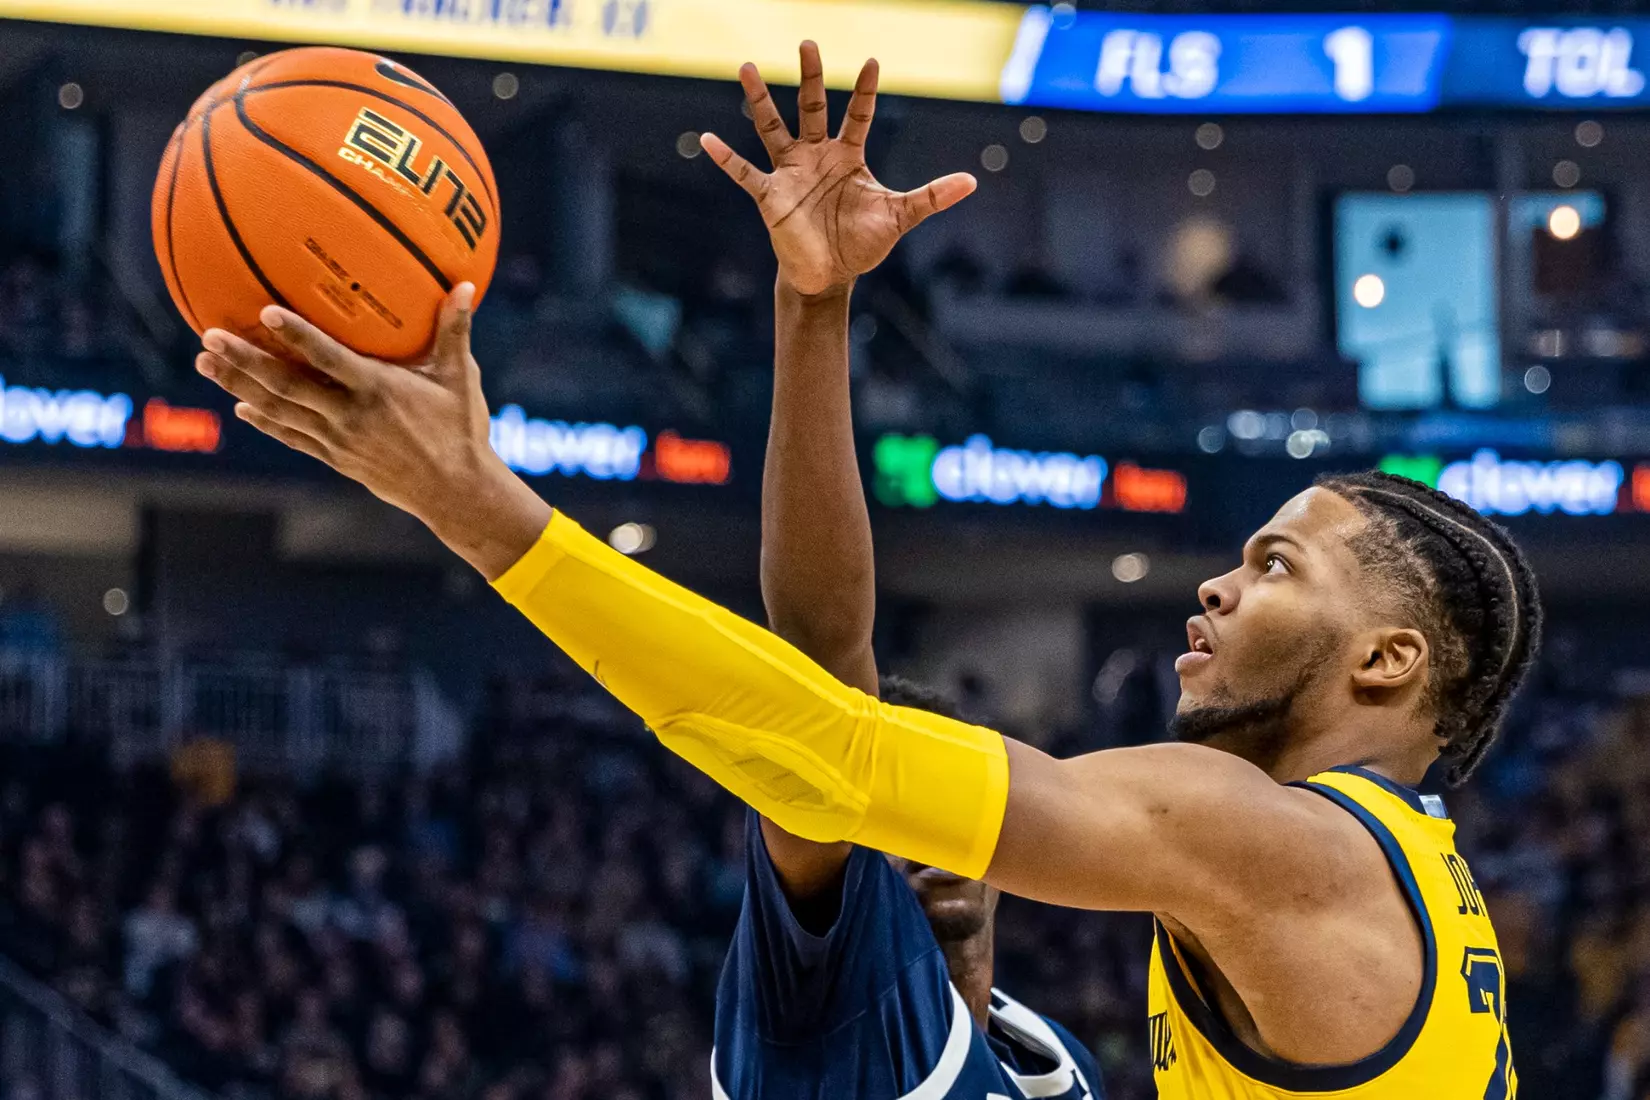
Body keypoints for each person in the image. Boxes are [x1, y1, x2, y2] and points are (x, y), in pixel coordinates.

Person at [195, 44, 1541, 1099]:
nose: (1216, 588)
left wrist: (476, 505)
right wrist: (813, 305)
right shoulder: (1412, 886)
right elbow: (828, 688)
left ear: (1388, 658)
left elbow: (829, 748)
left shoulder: (1276, 842)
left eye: (1274, 566)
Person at [709, 45, 1101, 1099]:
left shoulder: (1062, 1064)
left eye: (939, 798)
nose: (924, 832)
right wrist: (815, 306)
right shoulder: (818, 1008)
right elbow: (821, 659)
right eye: (890, 811)